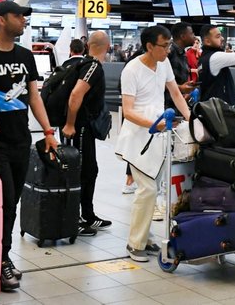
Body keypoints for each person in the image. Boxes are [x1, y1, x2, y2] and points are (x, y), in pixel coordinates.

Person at [0, 0, 58, 292]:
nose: (23, 20)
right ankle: (0, 259)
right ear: (2, 20)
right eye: (19, 16)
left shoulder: (25, 56)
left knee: (13, 200)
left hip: (21, 139)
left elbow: (34, 97)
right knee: (3, 199)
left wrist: (48, 131)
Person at [115, 25, 191, 262]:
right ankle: (134, 244)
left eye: (169, 45)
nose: (168, 50)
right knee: (147, 190)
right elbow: (127, 111)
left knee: (153, 189)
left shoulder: (164, 64)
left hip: (159, 136)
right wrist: (153, 124)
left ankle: (145, 238)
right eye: (164, 45)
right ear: (149, 46)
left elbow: (175, 94)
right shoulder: (132, 70)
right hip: (138, 138)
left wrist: (191, 119)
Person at [59, 31, 112, 237]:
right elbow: (75, 94)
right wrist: (71, 124)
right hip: (79, 127)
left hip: (83, 127)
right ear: (107, 47)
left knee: (89, 170)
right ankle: (75, 218)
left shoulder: (83, 64)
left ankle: (88, 215)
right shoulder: (93, 67)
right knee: (80, 172)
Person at [166, 22, 196, 93]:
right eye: (191, 33)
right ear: (183, 37)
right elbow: (159, 80)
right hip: (166, 100)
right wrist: (180, 88)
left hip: (177, 99)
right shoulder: (169, 52)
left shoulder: (183, 53)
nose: (194, 36)